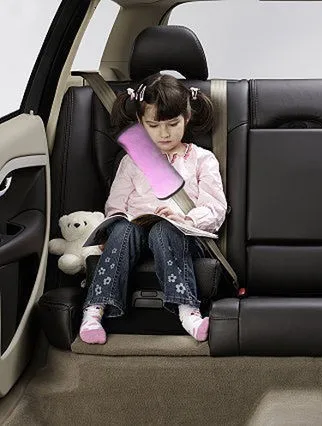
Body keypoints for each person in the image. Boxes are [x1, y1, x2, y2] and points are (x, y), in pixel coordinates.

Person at [79, 73, 227, 345]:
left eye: (173, 124)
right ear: (140, 122)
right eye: (154, 125)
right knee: (122, 230)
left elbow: (215, 207)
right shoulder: (132, 161)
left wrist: (186, 218)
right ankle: (94, 312)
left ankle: (188, 311)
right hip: (133, 233)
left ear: (187, 117)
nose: (164, 133)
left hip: (180, 235)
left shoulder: (202, 159)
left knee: (163, 231)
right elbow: (116, 205)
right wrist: (110, 230)